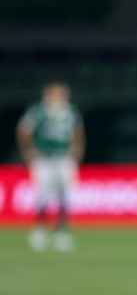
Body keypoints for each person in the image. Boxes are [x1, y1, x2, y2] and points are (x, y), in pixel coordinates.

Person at [16, 81, 85, 252]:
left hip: (64, 158)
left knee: (66, 196)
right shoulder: (37, 111)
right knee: (42, 195)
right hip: (44, 158)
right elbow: (23, 130)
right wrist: (28, 149)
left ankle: (62, 231)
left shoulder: (70, 111)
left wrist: (77, 149)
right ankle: (40, 229)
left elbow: (78, 132)